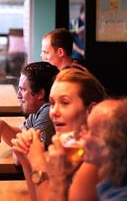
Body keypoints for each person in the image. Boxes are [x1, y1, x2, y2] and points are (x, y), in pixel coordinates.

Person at [46, 99, 127, 201]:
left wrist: (58, 181)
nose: (81, 134)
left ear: (113, 147)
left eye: (89, 130)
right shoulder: (117, 177)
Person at [12, 68, 106, 201]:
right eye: (52, 103)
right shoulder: (69, 149)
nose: (53, 112)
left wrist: (38, 161)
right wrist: (25, 159)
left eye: (65, 103)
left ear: (91, 110)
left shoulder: (95, 158)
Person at [0, 62, 58, 148]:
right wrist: (2, 125)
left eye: (23, 90)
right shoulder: (37, 109)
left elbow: (31, 152)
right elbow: (21, 135)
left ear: (40, 93)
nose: (18, 95)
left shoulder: (47, 112)